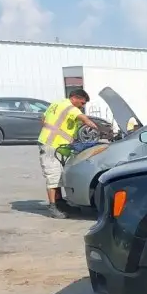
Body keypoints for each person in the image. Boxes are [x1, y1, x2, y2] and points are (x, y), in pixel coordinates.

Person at [38, 89, 98, 218]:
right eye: (82, 103)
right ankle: (53, 207)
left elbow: (42, 119)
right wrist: (95, 127)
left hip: (55, 144)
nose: (82, 106)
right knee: (53, 176)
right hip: (51, 145)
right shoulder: (70, 108)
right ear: (75, 98)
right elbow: (83, 118)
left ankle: (60, 203)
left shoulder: (56, 104)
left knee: (60, 175)